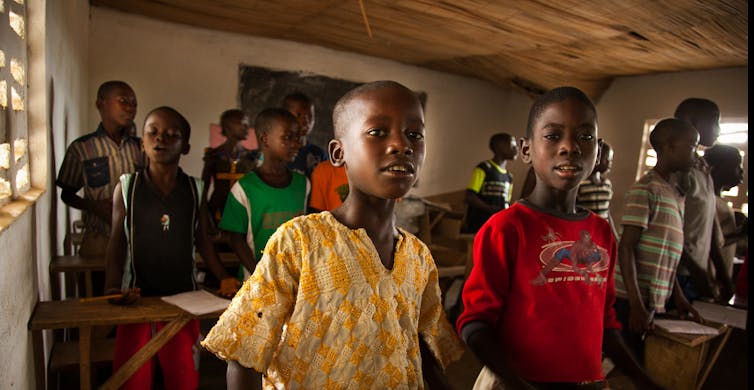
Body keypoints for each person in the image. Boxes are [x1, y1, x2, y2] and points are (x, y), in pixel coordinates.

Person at [202, 81, 464, 389]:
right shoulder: (300, 242)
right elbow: (243, 355)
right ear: (339, 153)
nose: (401, 145)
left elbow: (421, 349)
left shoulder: (418, 258)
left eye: (415, 135)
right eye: (378, 132)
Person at [457, 86, 660, 389]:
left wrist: (646, 380)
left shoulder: (601, 232)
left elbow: (605, 324)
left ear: (598, 150)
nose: (570, 146)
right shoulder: (507, 227)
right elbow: (474, 324)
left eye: (585, 136)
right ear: (526, 150)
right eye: (553, 136)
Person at [103, 106, 240, 390]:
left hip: (184, 301)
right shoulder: (127, 187)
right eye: (152, 132)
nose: (160, 139)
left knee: (183, 378)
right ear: (142, 141)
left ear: (186, 145)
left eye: (171, 135)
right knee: (133, 379)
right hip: (137, 297)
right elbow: (116, 241)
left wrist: (223, 275)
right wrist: (113, 286)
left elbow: (202, 239)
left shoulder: (194, 189)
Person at [614, 118, 702, 360]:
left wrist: (678, 296)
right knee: (624, 362)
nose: (697, 153)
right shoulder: (646, 189)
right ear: (669, 146)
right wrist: (635, 304)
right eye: (693, 146)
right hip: (628, 298)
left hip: (651, 299)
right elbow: (627, 248)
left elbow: (667, 255)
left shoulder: (674, 195)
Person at [218, 108, 309, 281]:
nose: (296, 144)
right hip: (256, 283)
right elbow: (235, 240)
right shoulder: (244, 188)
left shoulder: (303, 184)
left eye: (297, 137)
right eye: (288, 137)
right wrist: (260, 275)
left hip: (295, 280)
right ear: (264, 139)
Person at [57, 80, 142, 258]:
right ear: (100, 104)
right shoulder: (81, 149)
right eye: (123, 101)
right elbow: (67, 193)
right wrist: (93, 206)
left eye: (134, 103)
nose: (130, 108)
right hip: (99, 240)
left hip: (138, 240)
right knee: (97, 285)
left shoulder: (141, 148)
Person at [673, 98, 734, 303]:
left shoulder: (703, 169)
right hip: (676, 274)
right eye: (715, 120)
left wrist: (723, 276)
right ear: (693, 123)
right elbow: (668, 229)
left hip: (696, 275)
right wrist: (699, 275)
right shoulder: (679, 170)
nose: (718, 128)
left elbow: (709, 229)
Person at [201, 109, 259, 227]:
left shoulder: (252, 157)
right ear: (228, 127)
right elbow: (203, 189)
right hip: (217, 213)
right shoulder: (213, 156)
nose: (247, 128)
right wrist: (205, 217)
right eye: (242, 124)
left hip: (244, 213)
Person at [703, 144, 745, 281]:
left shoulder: (720, 203)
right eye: (737, 166)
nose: (741, 171)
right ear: (716, 168)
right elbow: (710, 243)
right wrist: (741, 234)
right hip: (709, 277)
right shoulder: (708, 201)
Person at [464, 132, 517, 233]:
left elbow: (506, 202)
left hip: (497, 226)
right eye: (512, 145)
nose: (516, 148)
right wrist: (490, 209)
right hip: (479, 225)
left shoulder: (509, 177)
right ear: (499, 147)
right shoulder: (484, 168)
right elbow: (470, 197)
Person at [576, 140, 617, 238]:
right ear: (596, 157)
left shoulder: (607, 184)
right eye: (607, 159)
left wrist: (614, 235)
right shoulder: (580, 184)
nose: (610, 163)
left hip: (602, 233)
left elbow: (607, 212)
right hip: (585, 233)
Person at [283, 92, 327, 177]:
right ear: (284, 117)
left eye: (310, 116)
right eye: (298, 115)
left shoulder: (318, 154)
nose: (306, 121)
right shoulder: (276, 153)